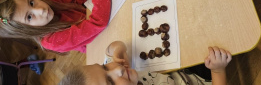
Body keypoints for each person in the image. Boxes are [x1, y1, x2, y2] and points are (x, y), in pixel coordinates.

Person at [58, 41, 232, 85]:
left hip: (178, 74)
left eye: (104, 67)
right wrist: (217, 71)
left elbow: (114, 47)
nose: (116, 69)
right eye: (110, 83)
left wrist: (117, 51)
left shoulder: (118, 70)